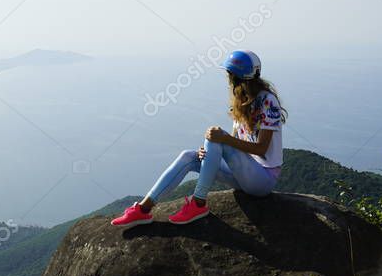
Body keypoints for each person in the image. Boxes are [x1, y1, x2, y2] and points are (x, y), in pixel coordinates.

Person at [112, 50, 287, 227]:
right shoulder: (241, 100)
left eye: (231, 74)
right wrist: (211, 154)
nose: (229, 78)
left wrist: (222, 140)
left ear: (241, 77)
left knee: (216, 136)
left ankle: (198, 204)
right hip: (243, 174)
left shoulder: (267, 101)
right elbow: (235, 145)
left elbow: (261, 148)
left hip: (262, 179)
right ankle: (143, 210)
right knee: (189, 156)